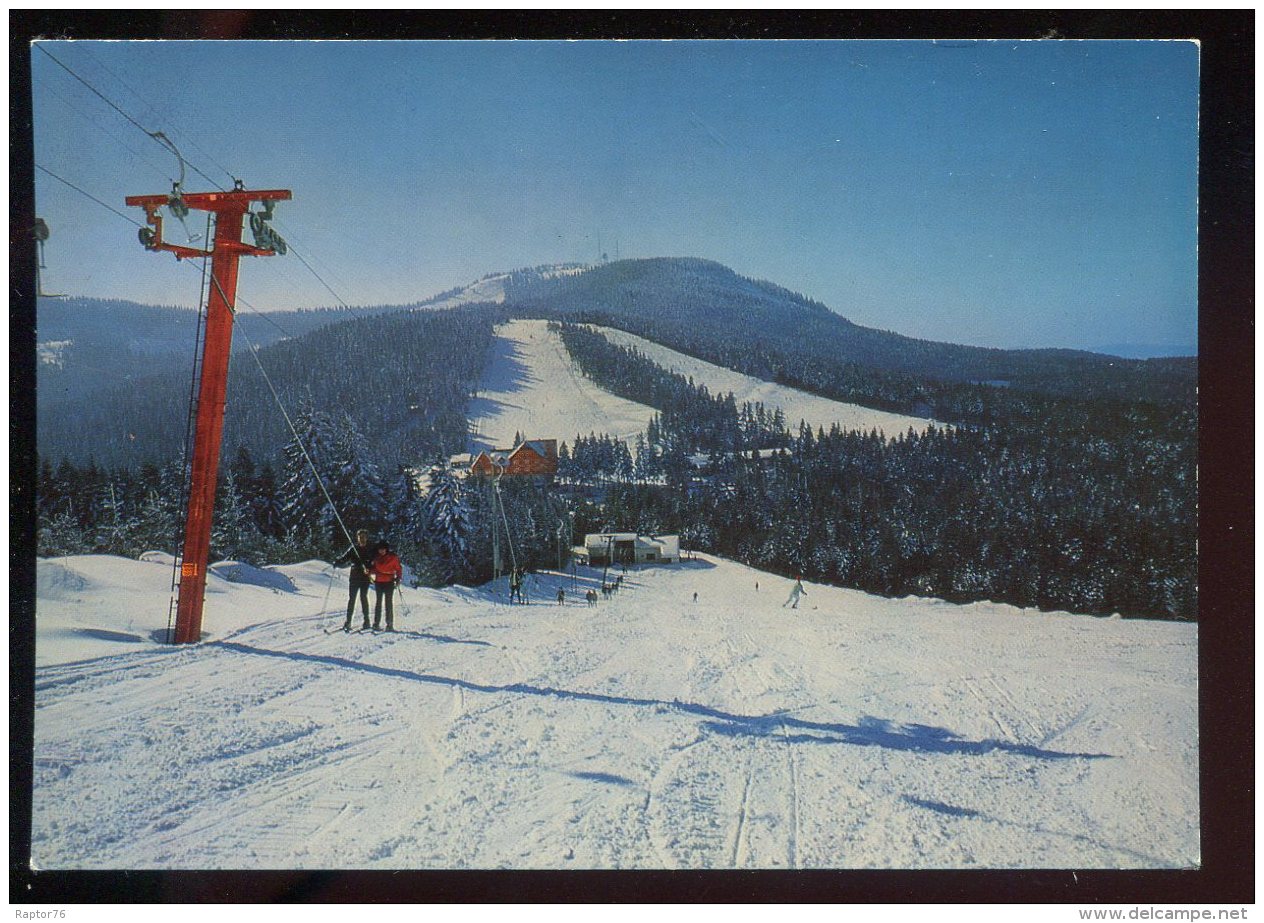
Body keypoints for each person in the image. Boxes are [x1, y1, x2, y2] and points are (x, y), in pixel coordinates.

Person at [334, 529, 374, 631]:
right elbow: (344, 558)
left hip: (365, 578)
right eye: (360, 537)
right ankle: (348, 622)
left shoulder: (370, 549)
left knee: (363, 598)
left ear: (366, 538)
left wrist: (368, 567)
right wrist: (337, 562)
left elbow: (374, 562)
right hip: (354, 577)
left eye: (363, 537)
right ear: (357, 538)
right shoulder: (353, 549)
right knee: (352, 599)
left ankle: (366, 621)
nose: (362, 539)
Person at [370, 540, 403, 631]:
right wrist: (369, 571)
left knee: (388, 603)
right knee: (378, 603)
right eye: (380, 549)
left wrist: (398, 578)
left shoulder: (393, 557)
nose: (381, 551)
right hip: (379, 582)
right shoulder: (376, 558)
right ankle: (376, 623)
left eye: (383, 549)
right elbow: (374, 569)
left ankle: (389, 624)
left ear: (386, 549)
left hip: (389, 582)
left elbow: (398, 569)